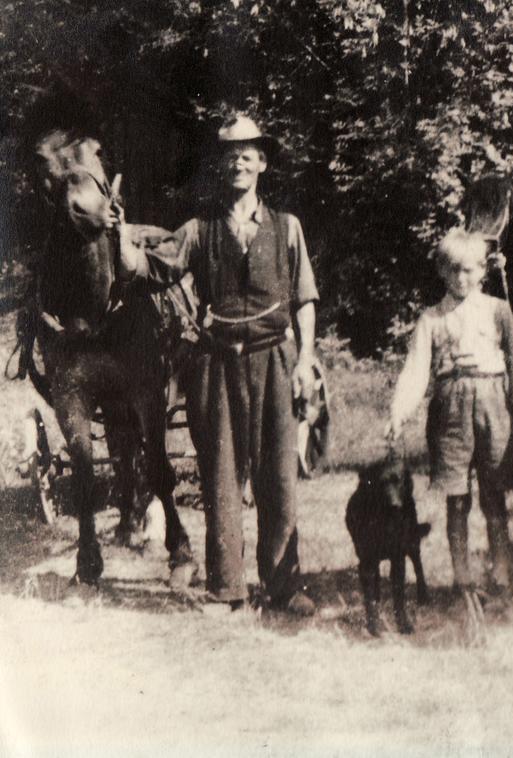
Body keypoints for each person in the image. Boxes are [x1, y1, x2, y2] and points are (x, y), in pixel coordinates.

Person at [117, 114, 319, 614]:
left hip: (275, 359)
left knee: (278, 476)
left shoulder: (288, 228)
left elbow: (306, 300)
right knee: (221, 476)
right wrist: (117, 231)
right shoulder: (197, 229)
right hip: (216, 363)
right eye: (230, 153)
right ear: (220, 164)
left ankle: (283, 587)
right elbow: (144, 267)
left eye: (248, 152)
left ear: (262, 162)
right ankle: (226, 587)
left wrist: (306, 359)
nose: (238, 161)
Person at [387, 229, 513, 598]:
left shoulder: (498, 310)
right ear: (441, 272)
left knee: (494, 491)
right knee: (457, 496)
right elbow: (416, 370)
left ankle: (500, 571)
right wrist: (399, 411)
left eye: (468, 270)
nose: (461, 279)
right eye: (453, 271)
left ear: (483, 269)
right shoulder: (432, 318)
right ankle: (461, 574)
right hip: (450, 407)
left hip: (492, 402)